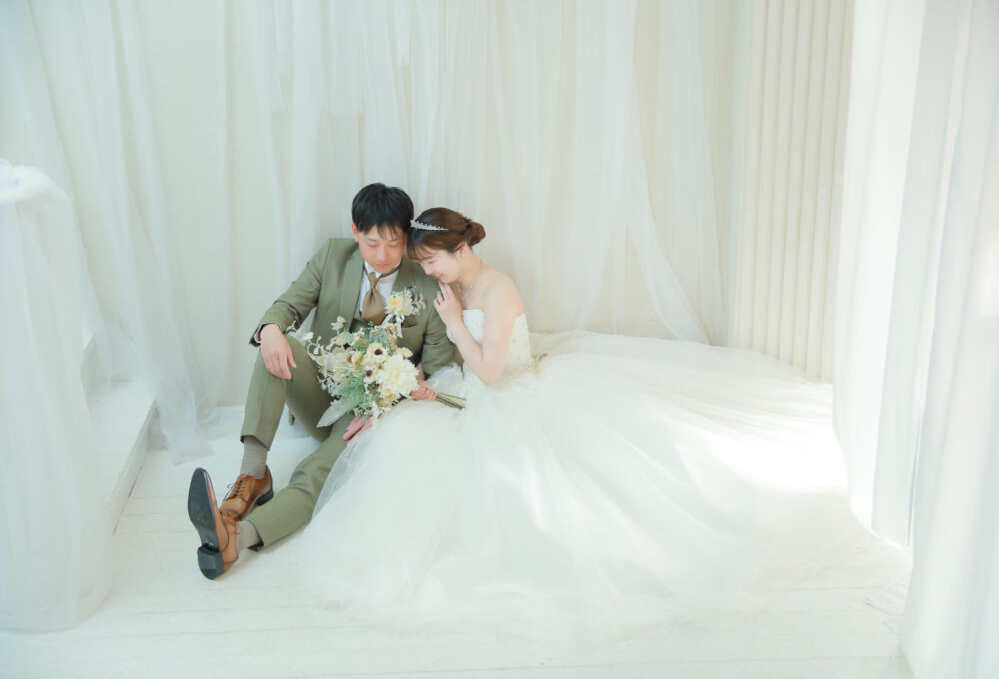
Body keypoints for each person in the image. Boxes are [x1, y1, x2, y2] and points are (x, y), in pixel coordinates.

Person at [290, 207, 864, 630]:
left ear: (459, 250)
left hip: (504, 390)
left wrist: (457, 323)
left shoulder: (496, 290)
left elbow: (489, 372)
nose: (430, 272)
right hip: (469, 388)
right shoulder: (459, 283)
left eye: (432, 261)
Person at [187, 184, 455, 580]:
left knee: (316, 471)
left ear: (407, 237)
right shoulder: (333, 256)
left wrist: (386, 408)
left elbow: (437, 370)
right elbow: (289, 303)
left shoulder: (429, 284)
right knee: (277, 347)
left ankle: (237, 539)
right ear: (355, 232)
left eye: (394, 244)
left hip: (370, 414)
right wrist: (271, 329)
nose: (383, 255)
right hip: (322, 391)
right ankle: (253, 475)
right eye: (372, 243)